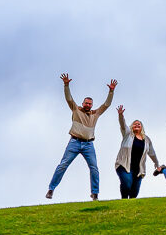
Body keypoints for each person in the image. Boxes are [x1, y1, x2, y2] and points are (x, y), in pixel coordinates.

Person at [47, 73, 117, 201]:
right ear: (83, 103)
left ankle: (95, 193)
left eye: (90, 104)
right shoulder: (76, 109)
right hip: (74, 142)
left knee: (94, 168)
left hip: (88, 145)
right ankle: (51, 189)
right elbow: (68, 98)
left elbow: (106, 105)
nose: (88, 105)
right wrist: (66, 85)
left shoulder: (95, 114)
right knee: (63, 165)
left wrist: (111, 91)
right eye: (86, 103)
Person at [114, 106, 163, 199]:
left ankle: (131, 209)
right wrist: (121, 115)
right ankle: (123, 201)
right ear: (131, 127)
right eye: (135, 124)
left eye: (139, 124)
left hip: (138, 169)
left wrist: (157, 164)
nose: (137, 125)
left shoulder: (147, 140)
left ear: (141, 128)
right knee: (127, 184)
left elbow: (152, 153)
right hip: (123, 165)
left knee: (134, 193)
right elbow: (122, 124)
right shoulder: (127, 134)